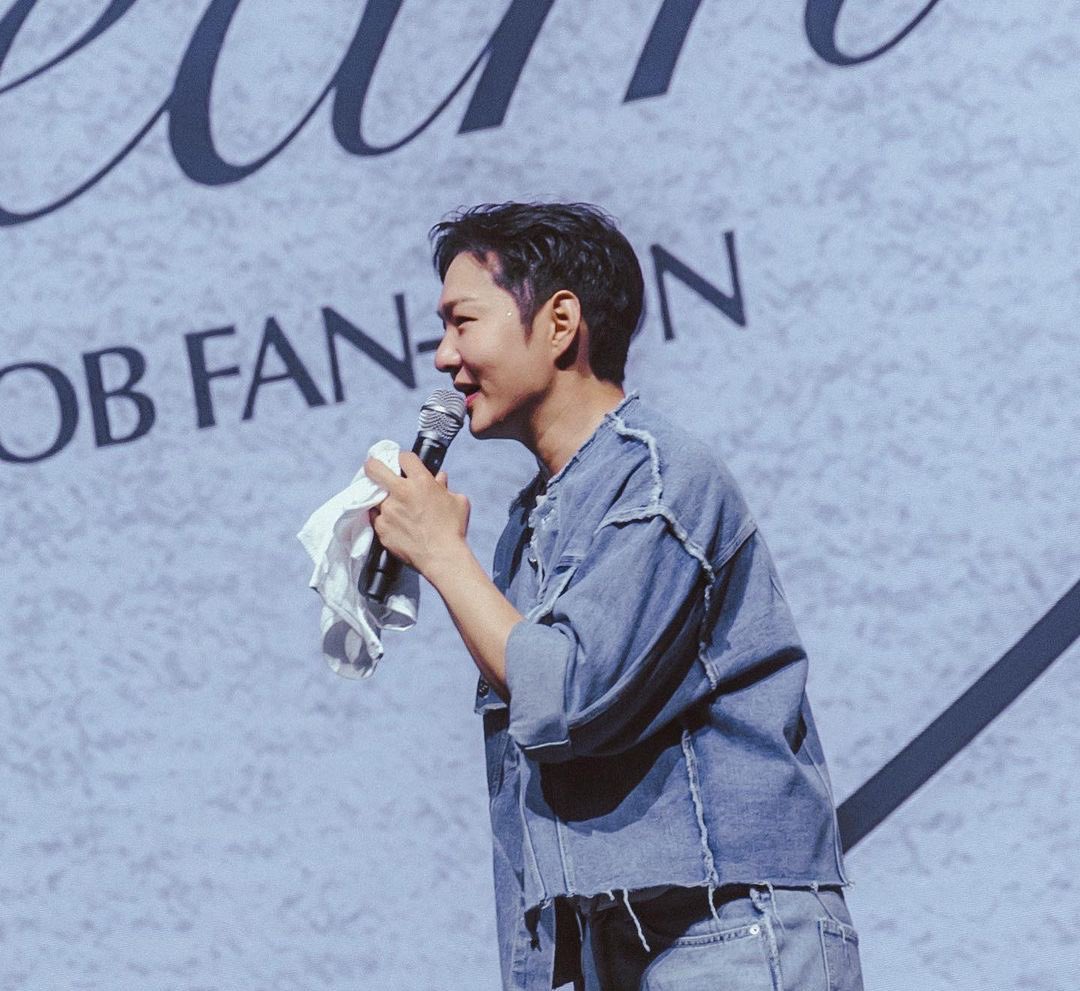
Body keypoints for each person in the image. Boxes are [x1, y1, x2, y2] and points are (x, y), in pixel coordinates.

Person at [364, 202, 865, 991]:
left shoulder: (658, 478)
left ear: (560, 323)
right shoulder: (534, 517)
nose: (443, 356)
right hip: (626, 942)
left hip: (725, 929)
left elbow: (569, 695)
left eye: (463, 322)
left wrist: (440, 551)